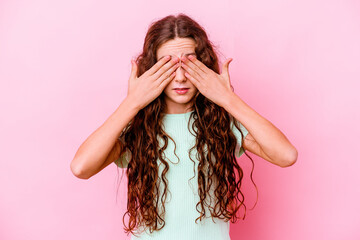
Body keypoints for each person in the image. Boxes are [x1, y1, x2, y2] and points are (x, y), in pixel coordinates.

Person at [70, 13, 298, 240]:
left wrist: (227, 99)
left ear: (204, 66)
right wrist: (132, 102)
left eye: (189, 65)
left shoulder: (220, 122)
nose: (180, 77)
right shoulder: (137, 127)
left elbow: (286, 155)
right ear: (151, 70)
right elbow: (81, 167)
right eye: (168, 66)